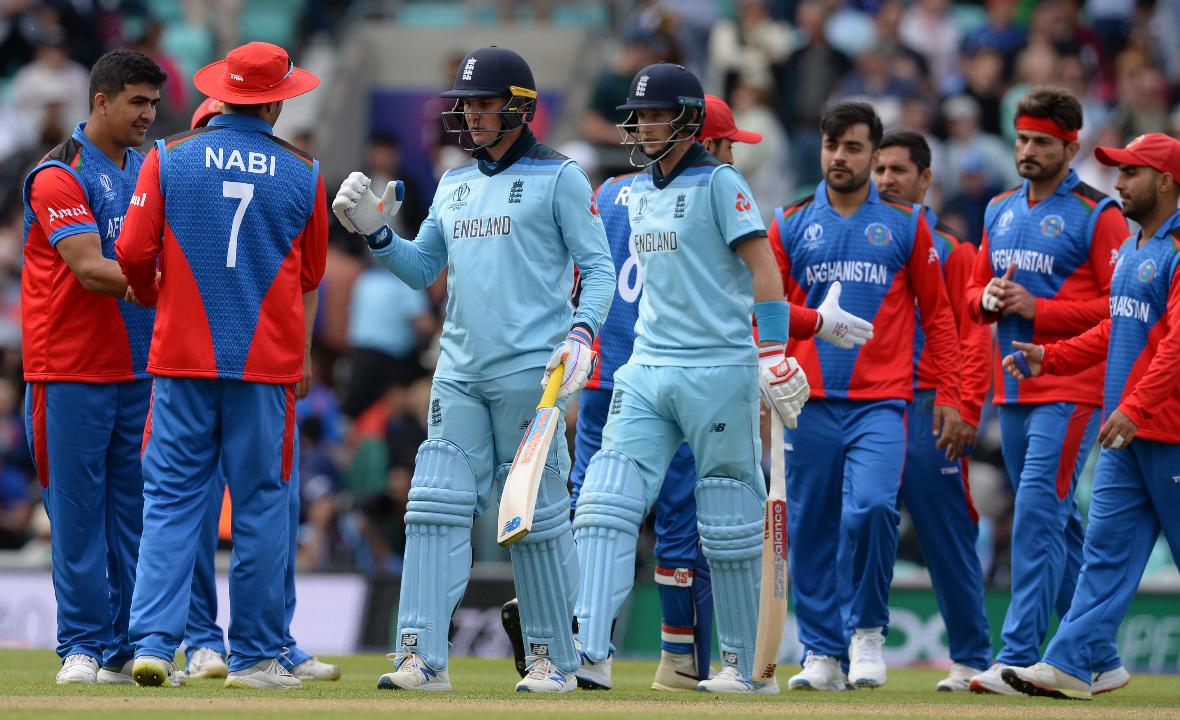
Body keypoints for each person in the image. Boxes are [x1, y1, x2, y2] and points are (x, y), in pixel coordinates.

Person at [331, 45, 615, 693]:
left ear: (521, 109)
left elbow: (597, 270)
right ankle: (420, 658)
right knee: (432, 508)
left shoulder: (562, 177)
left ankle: (552, 659)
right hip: (459, 372)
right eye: (468, 106)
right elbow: (422, 270)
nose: (473, 117)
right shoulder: (455, 182)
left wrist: (582, 333)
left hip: (533, 376)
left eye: (486, 106)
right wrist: (377, 232)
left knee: (536, 518)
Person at [570, 62, 809, 696]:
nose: (643, 125)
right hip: (646, 366)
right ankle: (587, 655)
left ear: (687, 122)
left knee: (729, 522)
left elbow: (763, 270)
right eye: (638, 116)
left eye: (655, 114)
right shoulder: (635, 190)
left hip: (718, 367)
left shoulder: (721, 183)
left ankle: (744, 666)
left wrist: (773, 351)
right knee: (603, 503)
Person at [117, 41, 328, 689]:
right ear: (275, 98)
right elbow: (310, 277)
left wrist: (157, 294)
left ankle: (153, 644)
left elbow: (129, 249)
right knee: (263, 506)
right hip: (264, 367)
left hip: (180, 360)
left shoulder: (169, 156)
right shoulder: (304, 172)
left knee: (171, 504)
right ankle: (257, 655)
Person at [769, 101, 964, 692]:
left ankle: (867, 635)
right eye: (832, 146)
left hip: (881, 400)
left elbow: (941, 317)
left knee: (874, 508)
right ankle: (822, 654)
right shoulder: (790, 221)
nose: (839, 157)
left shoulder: (907, 225)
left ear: (874, 154)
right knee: (809, 527)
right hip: (806, 400)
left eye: (853, 148)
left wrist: (952, 394)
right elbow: (766, 313)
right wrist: (765, 376)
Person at [998, 133, 1180, 700]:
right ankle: (1073, 665)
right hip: (1128, 435)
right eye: (1117, 172)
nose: (1119, 184)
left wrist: (1133, 405)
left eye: (1131, 173)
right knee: (1102, 555)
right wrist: (1051, 356)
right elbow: (1117, 329)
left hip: (1167, 432)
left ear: (1167, 181)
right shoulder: (1134, 248)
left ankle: (1072, 661)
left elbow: (1177, 344)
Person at [963, 87, 1129, 695]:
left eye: (1041, 142)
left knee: (1036, 512)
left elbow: (1122, 306)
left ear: (1070, 146)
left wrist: (1041, 310)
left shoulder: (1098, 214)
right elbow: (975, 291)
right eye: (1022, 139)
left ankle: (1017, 655)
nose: (1028, 151)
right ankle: (1100, 655)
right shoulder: (999, 208)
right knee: (1058, 524)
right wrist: (983, 301)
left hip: (1073, 386)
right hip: (1013, 392)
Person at [180, 96, 340, 684]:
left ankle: (274, 638)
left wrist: (299, 352)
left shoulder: (213, 176)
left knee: (277, 503)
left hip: (257, 366)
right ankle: (201, 639)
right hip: (194, 366)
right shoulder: (185, 191)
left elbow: (305, 277)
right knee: (200, 509)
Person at [20, 49, 164, 686]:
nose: (148, 115)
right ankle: (80, 645)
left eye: (154, 104)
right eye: (137, 102)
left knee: (134, 519)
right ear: (100, 101)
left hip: (136, 371)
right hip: (70, 372)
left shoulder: (149, 170)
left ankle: (126, 649)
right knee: (78, 517)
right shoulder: (58, 174)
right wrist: (168, 289)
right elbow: (87, 267)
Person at [870, 131, 993, 692]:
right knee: (856, 524)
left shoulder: (952, 249)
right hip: (865, 400)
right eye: (879, 169)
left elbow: (974, 336)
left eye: (898, 169)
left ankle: (970, 658)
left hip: (927, 405)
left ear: (926, 180)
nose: (886, 179)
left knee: (947, 535)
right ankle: (846, 648)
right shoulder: (857, 241)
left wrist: (963, 405)